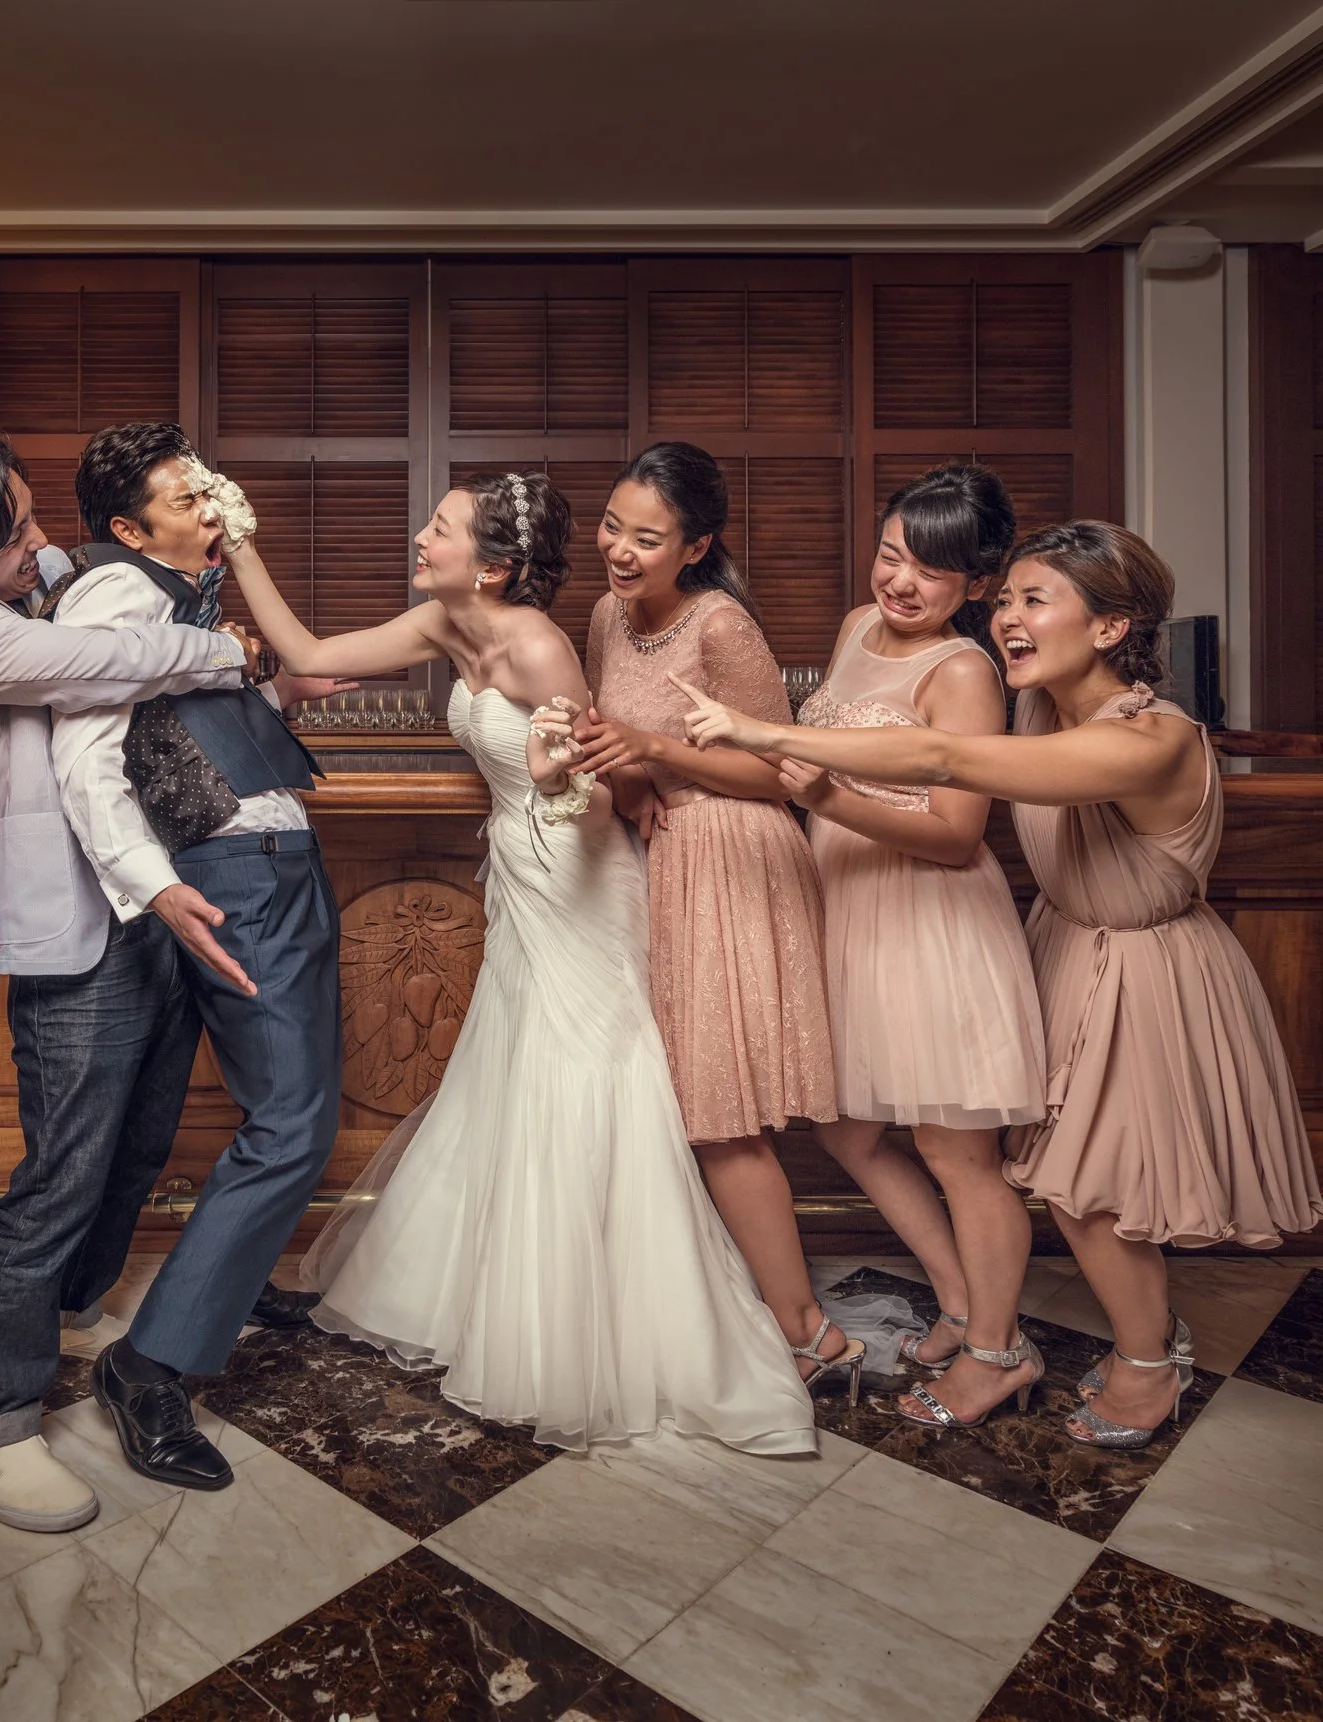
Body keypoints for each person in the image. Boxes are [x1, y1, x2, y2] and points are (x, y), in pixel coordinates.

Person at [676, 520, 1323, 1446]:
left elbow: (946, 765)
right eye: (1009, 598)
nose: (1009, 620)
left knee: (1090, 1185)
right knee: (1048, 1169)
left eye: (1034, 601)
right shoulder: (1044, 706)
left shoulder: (1150, 736)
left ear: (1109, 627)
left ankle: (1139, 1364)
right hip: (1064, 942)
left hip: (1145, 965)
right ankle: (1092, 1333)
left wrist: (766, 734)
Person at [227, 465, 819, 1455]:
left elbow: (592, 793)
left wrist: (557, 781)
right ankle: (471, 1297)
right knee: (502, 1075)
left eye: (441, 529)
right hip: (521, 872)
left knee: (581, 1077)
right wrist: (235, 534)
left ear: (495, 567)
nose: (420, 538)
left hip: (581, 880)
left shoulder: (544, 647)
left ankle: (592, 1328)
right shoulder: (441, 626)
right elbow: (308, 648)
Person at [0, 425, 265, 1534]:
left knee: (139, 1144)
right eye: (14, 532)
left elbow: (143, 577)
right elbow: (114, 659)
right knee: (59, 1176)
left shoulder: (22, 573)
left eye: (33, 512)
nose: (45, 542)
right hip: (74, 928)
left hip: (151, 899)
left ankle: (74, 1310)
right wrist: (238, 652)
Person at [47, 423, 351, 1491]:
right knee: (294, 1119)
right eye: (184, 500)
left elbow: (177, 732)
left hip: (265, 861)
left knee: (287, 1108)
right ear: (128, 527)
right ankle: (151, 1364)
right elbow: (85, 760)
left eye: (205, 490)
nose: (209, 509)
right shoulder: (116, 598)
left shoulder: (183, 600)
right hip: (232, 878)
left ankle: (222, 1277)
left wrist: (275, 699)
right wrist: (158, 885)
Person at [566, 443, 856, 1397]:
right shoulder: (608, 615)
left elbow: (781, 771)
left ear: (696, 547)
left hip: (732, 855)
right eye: (612, 526)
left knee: (722, 1116)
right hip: (661, 858)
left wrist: (653, 750)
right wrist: (636, 774)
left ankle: (806, 1333)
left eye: (646, 539)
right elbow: (616, 741)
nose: (619, 550)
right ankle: (746, 1307)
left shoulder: (721, 622)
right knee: (680, 1104)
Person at [784, 465, 1048, 1429]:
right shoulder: (857, 626)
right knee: (849, 1129)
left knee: (956, 1151)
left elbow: (956, 831)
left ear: (975, 587)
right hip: (848, 911)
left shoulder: (965, 672)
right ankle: (963, 1299)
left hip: (930, 920)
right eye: (893, 555)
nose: (902, 584)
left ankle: (997, 1351)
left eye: (931, 573)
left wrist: (822, 795)